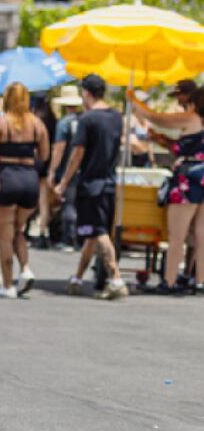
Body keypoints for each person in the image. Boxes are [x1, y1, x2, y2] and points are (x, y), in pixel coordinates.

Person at [55, 74, 128, 300]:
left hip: (90, 184)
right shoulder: (117, 117)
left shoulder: (87, 120)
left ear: (86, 93)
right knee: (92, 232)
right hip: (109, 182)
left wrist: (64, 182)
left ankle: (116, 278)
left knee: (98, 231)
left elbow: (77, 153)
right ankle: (77, 277)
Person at [130, 88, 204, 294]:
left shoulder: (191, 118)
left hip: (187, 179)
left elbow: (157, 118)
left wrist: (135, 101)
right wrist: (162, 140)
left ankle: (169, 281)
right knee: (201, 234)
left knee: (177, 236)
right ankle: (200, 282)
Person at [0, 82, 49, 298]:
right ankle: (26, 269)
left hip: (6, 179)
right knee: (19, 230)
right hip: (29, 180)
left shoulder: (0, 124)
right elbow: (44, 155)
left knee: (4, 235)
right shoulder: (37, 124)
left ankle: (8, 285)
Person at [47, 85, 84, 251]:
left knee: (68, 204)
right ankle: (80, 237)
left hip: (67, 168)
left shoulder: (64, 123)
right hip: (84, 168)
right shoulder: (84, 120)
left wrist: (52, 170)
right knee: (78, 204)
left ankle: (68, 239)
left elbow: (59, 149)